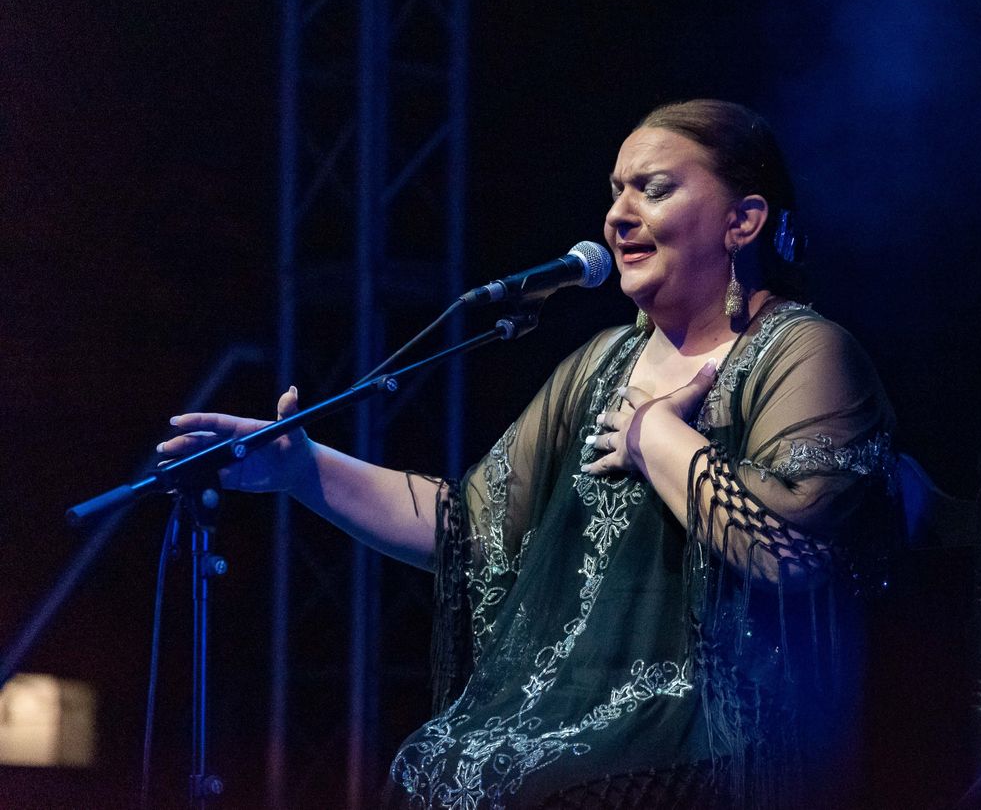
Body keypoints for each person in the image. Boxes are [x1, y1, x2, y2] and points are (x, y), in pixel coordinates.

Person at [157, 99, 895, 809]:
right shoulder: (600, 363)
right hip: (573, 719)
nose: (618, 215)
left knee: (544, 792)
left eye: (654, 189)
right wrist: (305, 470)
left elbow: (791, 549)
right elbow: (473, 532)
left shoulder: (804, 352)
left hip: (716, 737)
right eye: (615, 192)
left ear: (744, 220)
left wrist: (656, 437)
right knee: (429, 766)